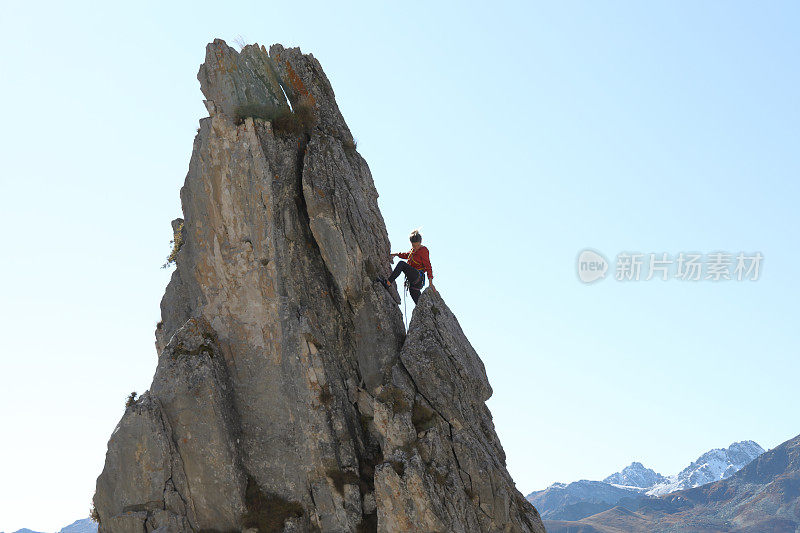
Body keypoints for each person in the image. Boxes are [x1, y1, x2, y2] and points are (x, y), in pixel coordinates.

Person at [382, 230, 435, 304]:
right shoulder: (413, 250)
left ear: (420, 242)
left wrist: (430, 283)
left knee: (402, 264)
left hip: (418, 277)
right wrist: (396, 254)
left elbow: (428, 266)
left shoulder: (424, 250)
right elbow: (407, 255)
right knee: (419, 302)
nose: (415, 247)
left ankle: (388, 283)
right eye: (413, 245)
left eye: (417, 245)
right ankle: (424, 313)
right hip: (414, 282)